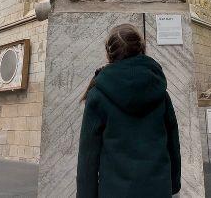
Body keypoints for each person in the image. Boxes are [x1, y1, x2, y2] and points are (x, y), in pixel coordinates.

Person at [77, 24, 181, 197]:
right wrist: (174, 184)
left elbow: (88, 157)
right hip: (158, 189)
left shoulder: (98, 94)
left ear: (109, 52)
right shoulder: (160, 92)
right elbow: (173, 144)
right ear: (141, 47)